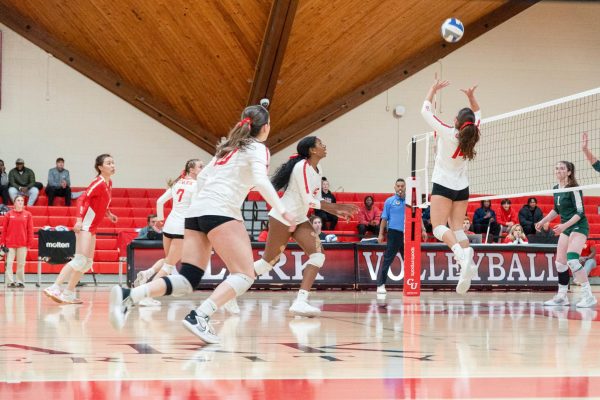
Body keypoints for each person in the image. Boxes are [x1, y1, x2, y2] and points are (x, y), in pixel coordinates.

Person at [109, 104, 296, 344]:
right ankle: (200, 315)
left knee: (188, 279)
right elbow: (260, 180)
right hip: (222, 211)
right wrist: (281, 209)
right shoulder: (258, 148)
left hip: (196, 212)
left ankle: (130, 295)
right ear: (266, 128)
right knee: (245, 274)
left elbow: (203, 179)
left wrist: (205, 204)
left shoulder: (226, 149)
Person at [251, 137, 357, 316]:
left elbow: (317, 199)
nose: (324, 146)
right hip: (283, 216)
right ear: (312, 150)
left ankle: (300, 301)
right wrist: (337, 207)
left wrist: (337, 211)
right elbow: (309, 200)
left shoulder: (318, 168)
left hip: (299, 217)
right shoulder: (302, 167)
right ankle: (233, 284)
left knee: (318, 256)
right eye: (320, 144)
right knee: (267, 263)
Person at [421, 79, 481, 294]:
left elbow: (425, 111)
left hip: (443, 184)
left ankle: (461, 255)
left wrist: (433, 89)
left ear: (456, 121)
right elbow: (478, 113)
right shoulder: (474, 134)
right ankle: (468, 261)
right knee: (457, 228)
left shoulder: (448, 132)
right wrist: (471, 97)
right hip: (462, 187)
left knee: (437, 227)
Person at [43, 154, 118, 304]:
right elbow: (82, 199)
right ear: (100, 167)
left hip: (93, 227)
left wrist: (108, 213)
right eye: (108, 163)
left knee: (87, 263)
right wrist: (78, 220)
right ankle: (55, 287)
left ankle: (69, 293)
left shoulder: (109, 183)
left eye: (113, 162)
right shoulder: (98, 183)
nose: (112, 165)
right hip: (85, 225)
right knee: (80, 259)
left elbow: (102, 202)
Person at [133, 159, 204, 307]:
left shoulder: (177, 183)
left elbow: (159, 201)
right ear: (191, 169)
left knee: (168, 259)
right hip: (182, 226)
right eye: (200, 166)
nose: (203, 169)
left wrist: (160, 219)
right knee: (169, 266)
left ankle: (147, 273)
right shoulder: (196, 185)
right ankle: (146, 295)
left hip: (169, 225)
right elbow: (197, 208)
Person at [536, 161, 596, 308]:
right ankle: (562, 296)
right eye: (556, 168)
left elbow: (580, 212)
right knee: (560, 263)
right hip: (567, 227)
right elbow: (556, 209)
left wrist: (563, 226)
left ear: (569, 172)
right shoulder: (556, 188)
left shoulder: (574, 188)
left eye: (562, 168)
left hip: (578, 225)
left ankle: (588, 296)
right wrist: (542, 220)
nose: (558, 170)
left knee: (573, 261)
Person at [376, 179, 406, 294]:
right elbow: (384, 218)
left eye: (402, 186)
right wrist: (380, 234)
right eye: (398, 186)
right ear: (394, 187)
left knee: (408, 260)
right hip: (394, 233)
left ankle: (409, 285)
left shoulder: (409, 201)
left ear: (405, 187)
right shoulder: (389, 201)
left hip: (407, 234)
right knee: (387, 259)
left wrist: (423, 229)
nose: (400, 188)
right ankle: (381, 284)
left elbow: (417, 216)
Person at [0, 195, 34, 288]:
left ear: (23, 203)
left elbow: (30, 230)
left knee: (21, 264)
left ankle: (20, 281)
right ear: (14, 203)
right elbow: (4, 230)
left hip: (22, 244)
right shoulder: (8, 214)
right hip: (10, 244)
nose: (20, 202)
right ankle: (10, 282)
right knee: (9, 263)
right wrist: (2, 242)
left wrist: (29, 243)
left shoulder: (28, 215)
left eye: (22, 200)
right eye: (18, 200)